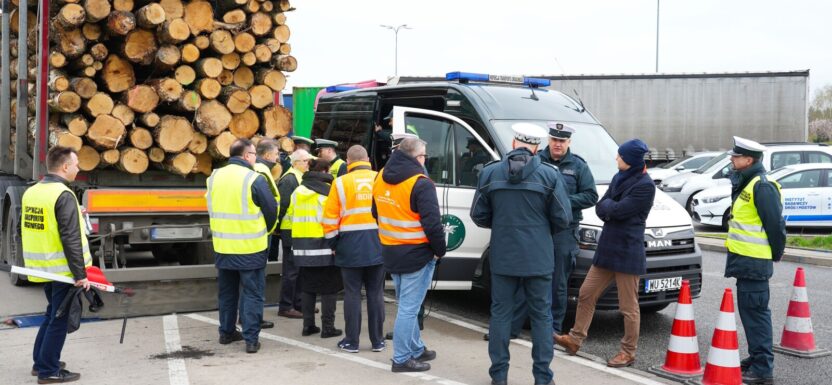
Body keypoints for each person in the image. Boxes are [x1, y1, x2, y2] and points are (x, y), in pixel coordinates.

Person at [471, 123, 572, 385]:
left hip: (503, 255)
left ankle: (499, 377)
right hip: (538, 258)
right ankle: (543, 378)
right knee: (542, 317)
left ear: (514, 144)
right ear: (537, 148)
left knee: (500, 315)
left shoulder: (490, 173)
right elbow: (563, 218)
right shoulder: (549, 175)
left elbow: (478, 215)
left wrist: (502, 225)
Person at [555, 139, 655, 368]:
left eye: (620, 155)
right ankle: (575, 339)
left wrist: (611, 208)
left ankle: (628, 352)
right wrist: (611, 208)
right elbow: (601, 207)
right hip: (608, 248)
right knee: (586, 294)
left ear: (630, 159)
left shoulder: (645, 185)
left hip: (627, 252)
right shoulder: (619, 176)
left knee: (628, 307)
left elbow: (618, 210)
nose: (616, 158)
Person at [372, 137, 446, 373]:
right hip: (416, 253)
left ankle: (415, 348)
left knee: (406, 304)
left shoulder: (380, 176)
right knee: (409, 308)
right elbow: (432, 224)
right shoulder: (421, 183)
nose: (425, 159)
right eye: (424, 156)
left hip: (391, 250)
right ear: (417, 157)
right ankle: (402, 358)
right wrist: (440, 251)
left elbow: (375, 212)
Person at [23, 146, 92, 383]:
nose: (78, 168)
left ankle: (40, 362)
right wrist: (80, 274)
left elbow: (36, 227)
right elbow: (70, 238)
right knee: (59, 320)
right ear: (65, 166)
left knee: (52, 313)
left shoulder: (33, 191)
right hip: (63, 270)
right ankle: (48, 371)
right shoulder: (63, 195)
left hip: (43, 266)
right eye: (76, 164)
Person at [207, 138, 278, 354]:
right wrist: (266, 231)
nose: (256, 158)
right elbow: (271, 210)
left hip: (223, 247)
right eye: (254, 154)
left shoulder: (214, 177)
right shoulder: (253, 178)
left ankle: (226, 332)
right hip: (250, 248)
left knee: (227, 293)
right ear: (247, 156)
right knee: (252, 294)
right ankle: (251, 339)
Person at [724, 137, 785, 385]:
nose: (732, 159)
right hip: (745, 261)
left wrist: (775, 254)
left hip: (754, 262)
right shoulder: (747, 182)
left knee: (756, 316)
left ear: (748, 160)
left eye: (736, 156)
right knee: (750, 314)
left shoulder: (762, 186)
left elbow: (776, 225)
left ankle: (763, 368)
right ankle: (756, 358)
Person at [322, 145, 386, 353]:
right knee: (376, 293)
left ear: (348, 162)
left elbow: (329, 219)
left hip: (349, 246)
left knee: (352, 294)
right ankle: (378, 341)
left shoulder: (340, 183)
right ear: (367, 160)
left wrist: (334, 245)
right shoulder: (380, 179)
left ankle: (352, 341)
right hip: (378, 244)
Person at [539, 123, 598, 336]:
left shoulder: (578, 166)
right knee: (531, 277)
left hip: (564, 231)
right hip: (539, 228)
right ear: (549, 140)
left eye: (562, 141)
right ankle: (532, 323)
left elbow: (591, 195)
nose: (558, 144)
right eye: (555, 140)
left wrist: (561, 201)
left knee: (558, 282)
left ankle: (554, 328)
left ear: (569, 142)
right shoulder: (536, 161)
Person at [287, 159, 343, 338]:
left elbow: (290, 216)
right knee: (329, 288)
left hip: (302, 248)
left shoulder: (298, 191)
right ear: (325, 171)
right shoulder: (327, 193)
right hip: (324, 246)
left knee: (308, 287)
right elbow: (333, 220)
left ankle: (308, 326)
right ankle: (328, 327)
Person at [276, 149, 313, 319]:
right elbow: (282, 206)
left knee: (299, 270)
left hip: (298, 230)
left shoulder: (299, 177)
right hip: (290, 230)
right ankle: (286, 306)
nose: (308, 164)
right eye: (305, 161)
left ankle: (298, 303)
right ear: (296, 162)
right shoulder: (289, 179)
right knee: (291, 271)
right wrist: (278, 228)